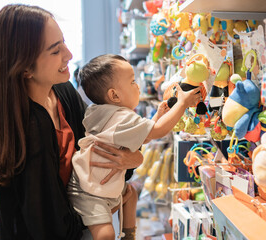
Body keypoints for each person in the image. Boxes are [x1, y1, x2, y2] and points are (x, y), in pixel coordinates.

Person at [0, 5, 143, 240]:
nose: (69, 54)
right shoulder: (27, 129)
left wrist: (133, 158)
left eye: (63, 42)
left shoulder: (63, 92)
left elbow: (109, 145)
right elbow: (50, 228)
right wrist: (101, 211)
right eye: (55, 51)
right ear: (25, 68)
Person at [68, 54, 200, 240]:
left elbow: (140, 137)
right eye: (132, 82)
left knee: (129, 194)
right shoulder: (122, 117)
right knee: (105, 234)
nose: (138, 85)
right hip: (89, 191)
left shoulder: (100, 112)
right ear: (114, 95)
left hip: (93, 180)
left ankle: (128, 236)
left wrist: (156, 117)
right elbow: (158, 131)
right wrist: (183, 103)